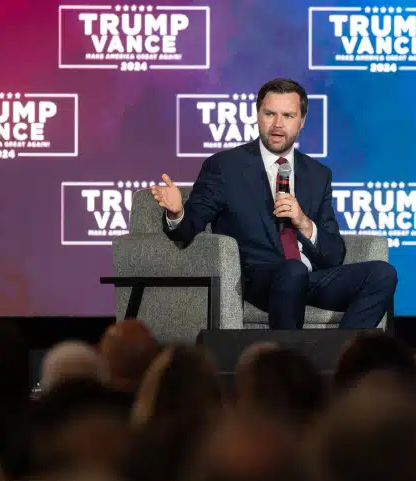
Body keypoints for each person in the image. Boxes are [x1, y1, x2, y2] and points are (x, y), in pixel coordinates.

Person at [151, 78, 397, 329]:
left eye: (288, 116)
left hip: (310, 277)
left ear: (301, 122)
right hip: (261, 279)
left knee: (382, 274)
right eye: (270, 114)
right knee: (292, 271)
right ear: (258, 115)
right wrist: (177, 212)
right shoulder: (226, 167)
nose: (278, 125)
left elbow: (334, 254)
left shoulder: (317, 173)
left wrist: (303, 222)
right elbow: (189, 226)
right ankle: (285, 364)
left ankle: (340, 357)